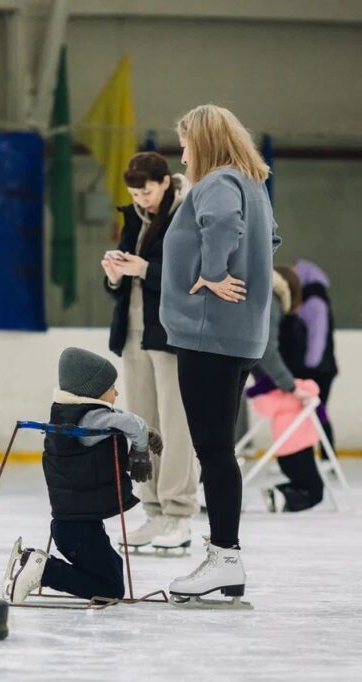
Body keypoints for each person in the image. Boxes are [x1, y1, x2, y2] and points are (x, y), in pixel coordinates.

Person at [161, 104, 280, 604]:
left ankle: (224, 558)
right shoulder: (253, 184)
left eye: (186, 143)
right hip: (239, 336)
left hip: (208, 333)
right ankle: (224, 557)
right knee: (217, 448)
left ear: (203, 143)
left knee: (212, 449)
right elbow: (271, 238)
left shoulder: (217, 183)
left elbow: (223, 223)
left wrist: (212, 270)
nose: (183, 153)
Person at [6, 348, 163, 604]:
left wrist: (143, 435)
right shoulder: (92, 419)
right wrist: (141, 444)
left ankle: (34, 563)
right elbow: (131, 423)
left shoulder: (73, 415)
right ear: (93, 390)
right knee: (110, 589)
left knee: (113, 566)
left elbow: (123, 422)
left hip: (75, 524)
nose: (117, 393)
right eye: (112, 387)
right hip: (76, 528)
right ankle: (43, 569)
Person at [102, 152, 197, 554]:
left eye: (146, 192)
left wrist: (143, 269)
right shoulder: (134, 218)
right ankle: (153, 511)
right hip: (134, 333)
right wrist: (114, 276)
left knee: (175, 426)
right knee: (141, 427)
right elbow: (126, 281)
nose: (141, 200)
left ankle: (179, 514)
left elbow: (190, 276)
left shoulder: (184, 215)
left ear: (164, 184)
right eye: (134, 193)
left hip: (172, 334)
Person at [245, 267, 325, 512]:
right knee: (314, 490)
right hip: (281, 387)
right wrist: (289, 384)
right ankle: (289, 492)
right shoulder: (275, 305)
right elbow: (269, 351)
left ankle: (285, 492)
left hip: (270, 385)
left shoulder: (262, 300)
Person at [294, 258, 338, 452]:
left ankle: (327, 457)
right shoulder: (316, 299)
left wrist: (309, 367)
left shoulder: (314, 302)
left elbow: (317, 337)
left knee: (317, 413)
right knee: (315, 413)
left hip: (318, 369)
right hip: (322, 367)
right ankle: (320, 457)